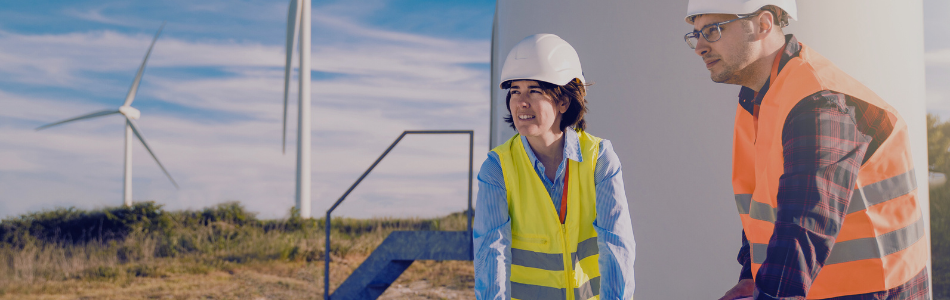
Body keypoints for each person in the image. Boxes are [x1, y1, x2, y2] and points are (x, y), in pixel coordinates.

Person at [683, 0, 931, 299]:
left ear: (763, 24)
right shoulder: (758, 98)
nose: (700, 47)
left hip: (871, 289)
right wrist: (751, 275)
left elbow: (804, 225)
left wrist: (770, 294)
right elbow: (763, 208)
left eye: (713, 30)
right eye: (696, 35)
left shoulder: (818, 102)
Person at [472, 33, 636, 300]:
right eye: (515, 91)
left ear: (563, 101)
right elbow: (491, 255)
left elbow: (617, 248)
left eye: (534, 90)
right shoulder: (497, 168)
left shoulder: (600, 159)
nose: (521, 101)